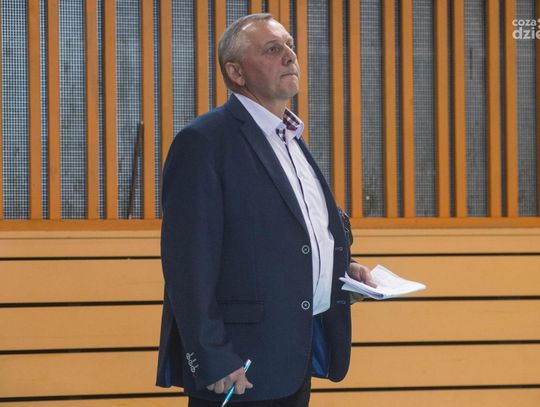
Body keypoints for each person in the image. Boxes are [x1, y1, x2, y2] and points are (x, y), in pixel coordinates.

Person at [156, 13, 374, 407]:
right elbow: (188, 264)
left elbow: (296, 235)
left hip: (294, 357)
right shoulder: (203, 142)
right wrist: (212, 357)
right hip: (238, 368)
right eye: (272, 49)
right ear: (236, 72)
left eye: (289, 45)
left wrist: (342, 271)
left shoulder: (290, 139)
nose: (290, 56)